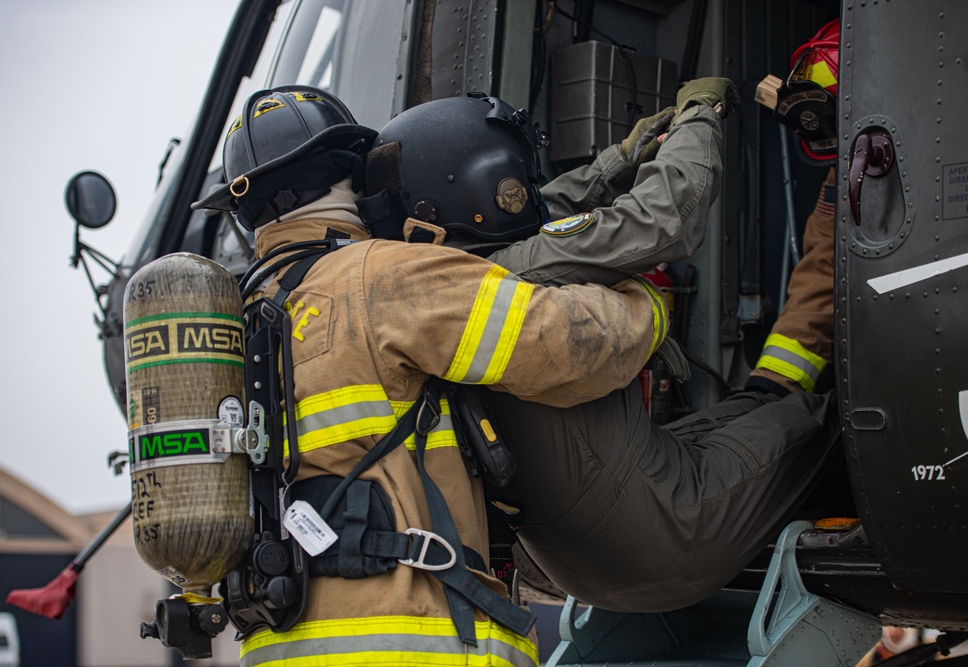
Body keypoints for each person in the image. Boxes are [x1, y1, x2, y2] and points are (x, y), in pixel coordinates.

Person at [192, 86, 676, 667]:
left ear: (243, 211)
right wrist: (653, 303)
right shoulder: (384, 277)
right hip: (413, 642)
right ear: (354, 172)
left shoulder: (231, 322)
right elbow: (569, 346)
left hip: (279, 648)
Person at [360, 73, 842, 612]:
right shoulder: (525, 271)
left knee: (752, 408)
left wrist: (619, 160)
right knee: (826, 420)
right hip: (673, 537)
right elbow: (667, 214)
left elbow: (544, 214)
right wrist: (700, 114)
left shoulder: (439, 280)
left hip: (583, 570)